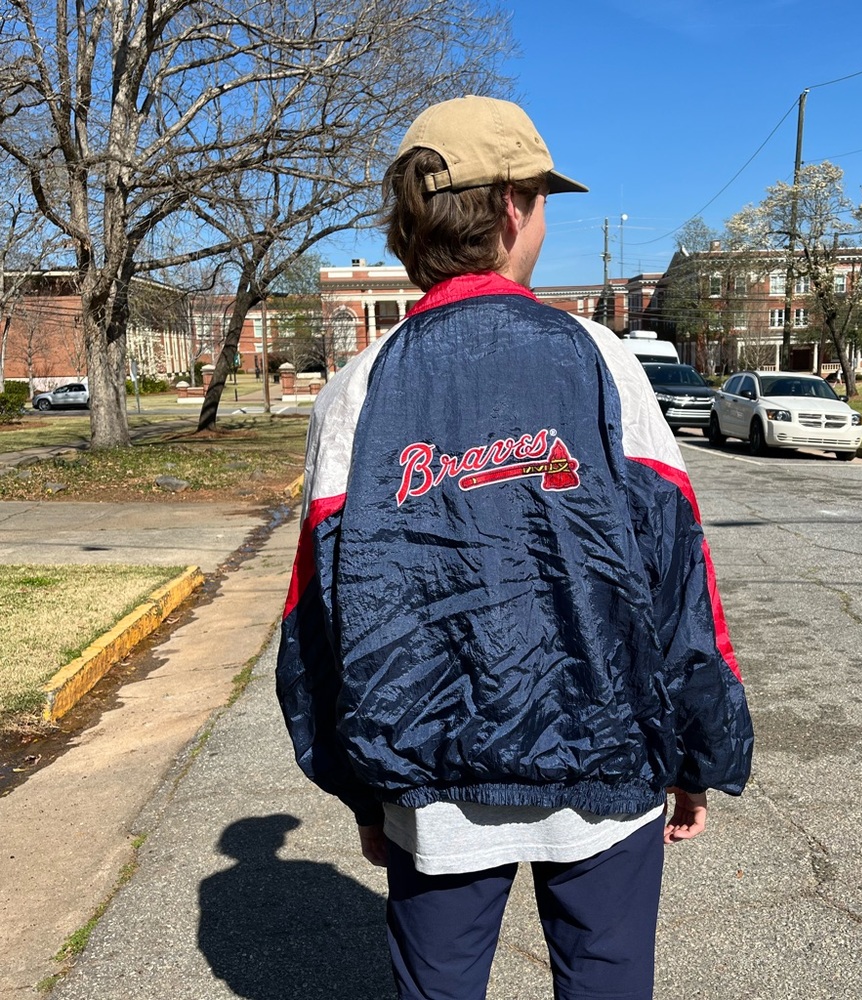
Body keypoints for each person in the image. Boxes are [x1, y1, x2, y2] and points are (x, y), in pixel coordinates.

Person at [276, 95, 753, 1000]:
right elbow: (680, 580)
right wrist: (700, 756)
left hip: (431, 786)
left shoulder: (355, 389)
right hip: (605, 771)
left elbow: (315, 621)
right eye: (542, 200)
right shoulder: (603, 361)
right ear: (509, 210)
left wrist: (358, 786)